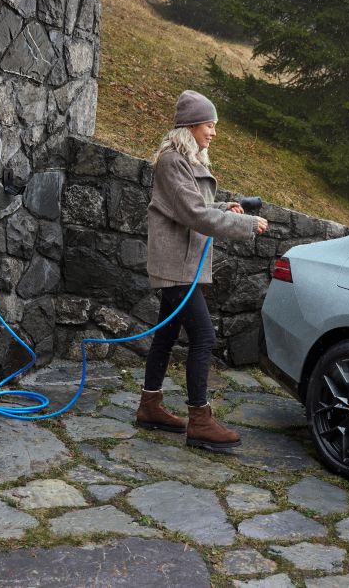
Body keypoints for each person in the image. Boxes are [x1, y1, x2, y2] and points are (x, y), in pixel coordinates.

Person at [135, 90, 269, 449]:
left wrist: (225, 207)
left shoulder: (185, 160)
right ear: (191, 125)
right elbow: (193, 214)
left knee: (166, 335)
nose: (213, 132)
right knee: (205, 336)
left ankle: (149, 406)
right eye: (209, 125)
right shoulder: (171, 162)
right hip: (176, 265)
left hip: (181, 263)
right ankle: (199, 420)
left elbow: (194, 205)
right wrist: (245, 224)